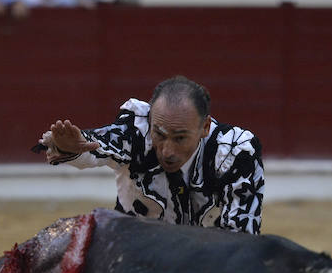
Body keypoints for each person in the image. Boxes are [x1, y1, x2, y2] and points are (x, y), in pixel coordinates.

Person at [35, 76, 264, 234]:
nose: (168, 151)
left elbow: (241, 236)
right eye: (160, 134)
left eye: (180, 138)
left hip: (209, 264)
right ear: (150, 122)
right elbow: (98, 146)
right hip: (136, 257)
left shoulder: (235, 152)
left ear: (205, 128)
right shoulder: (137, 132)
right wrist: (70, 148)